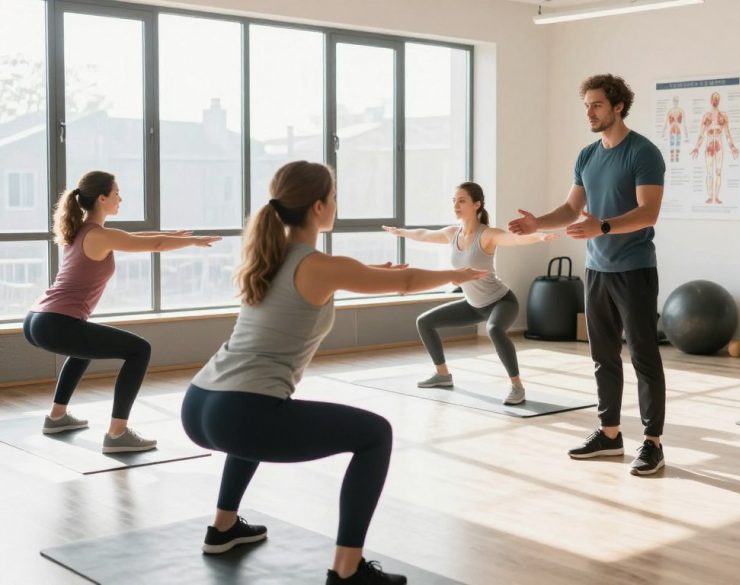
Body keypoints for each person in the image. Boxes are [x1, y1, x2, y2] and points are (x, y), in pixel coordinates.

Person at [181, 161, 485, 585]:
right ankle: (347, 571)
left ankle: (224, 527)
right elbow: (406, 281)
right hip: (240, 413)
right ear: (320, 206)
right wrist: (457, 273)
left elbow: (342, 278)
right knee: (374, 434)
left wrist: (373, 273)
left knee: (259, 416)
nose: (337, 205)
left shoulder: (268, 255)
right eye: (336, 197)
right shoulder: (319, 264)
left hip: (200, 402)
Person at [508, 74, 668, 475]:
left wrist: (605, 227)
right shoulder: (586, 155)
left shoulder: (643, 152)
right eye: (586, 105)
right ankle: (609, 434)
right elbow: (570, 208)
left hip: (634, 270)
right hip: (596, 269)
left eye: (596, 104)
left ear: (617, 107)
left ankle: (653, 443)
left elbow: (649, 212)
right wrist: (537, 224)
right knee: (603, 357)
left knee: (644, 358)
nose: (589, 112)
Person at [23, 170, 220, 453]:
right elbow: (154, 245)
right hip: (55, 322)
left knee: (83, 349)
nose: (120, 199)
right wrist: (191, 241)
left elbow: (135, 237)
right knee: (139, 350)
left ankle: (57, 417)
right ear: (102, 198)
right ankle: (117, 433)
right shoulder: (100, 235)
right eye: (117, 194)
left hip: (37, 319)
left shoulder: (82, 230)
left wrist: (171, 234)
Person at [383, 182, 555, 405]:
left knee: (494, 329)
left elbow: (513, 239)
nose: (456, 205)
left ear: (477, 205)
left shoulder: (487, 235)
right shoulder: (452, 233)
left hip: (501, 302)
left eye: (462, 200)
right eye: (454, 200)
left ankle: (517, 387)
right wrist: (400, 232)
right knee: (424, 322)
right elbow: (424, 234)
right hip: (474, 305)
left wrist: (539, 237)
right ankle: (443, 375)